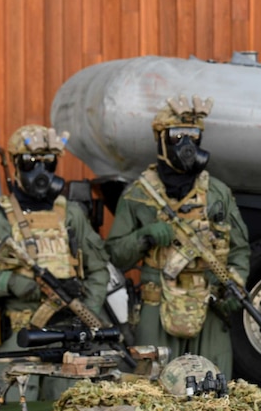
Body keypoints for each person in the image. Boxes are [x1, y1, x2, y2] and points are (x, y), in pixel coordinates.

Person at [106, 95, 250, 379]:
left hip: (209, 305)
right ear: (161, 140)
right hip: (157, 306)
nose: (186, 143)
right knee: (154, 390)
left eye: (193, 135)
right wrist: (144, 237)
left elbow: (240, 250)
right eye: (177, 136)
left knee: (214, 390)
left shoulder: (218, 193)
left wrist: (237, 282)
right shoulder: (139, 195)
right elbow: (114, 255)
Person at [0, 124, 110, 401]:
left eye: (48, 162)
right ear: (15, 167)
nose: (39, 172)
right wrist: (12, 282)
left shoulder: (71, 214)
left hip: (67, 333)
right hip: (17, 335)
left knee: (68, 409)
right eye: (29, 163)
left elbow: (98, 269)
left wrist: (87, 311)